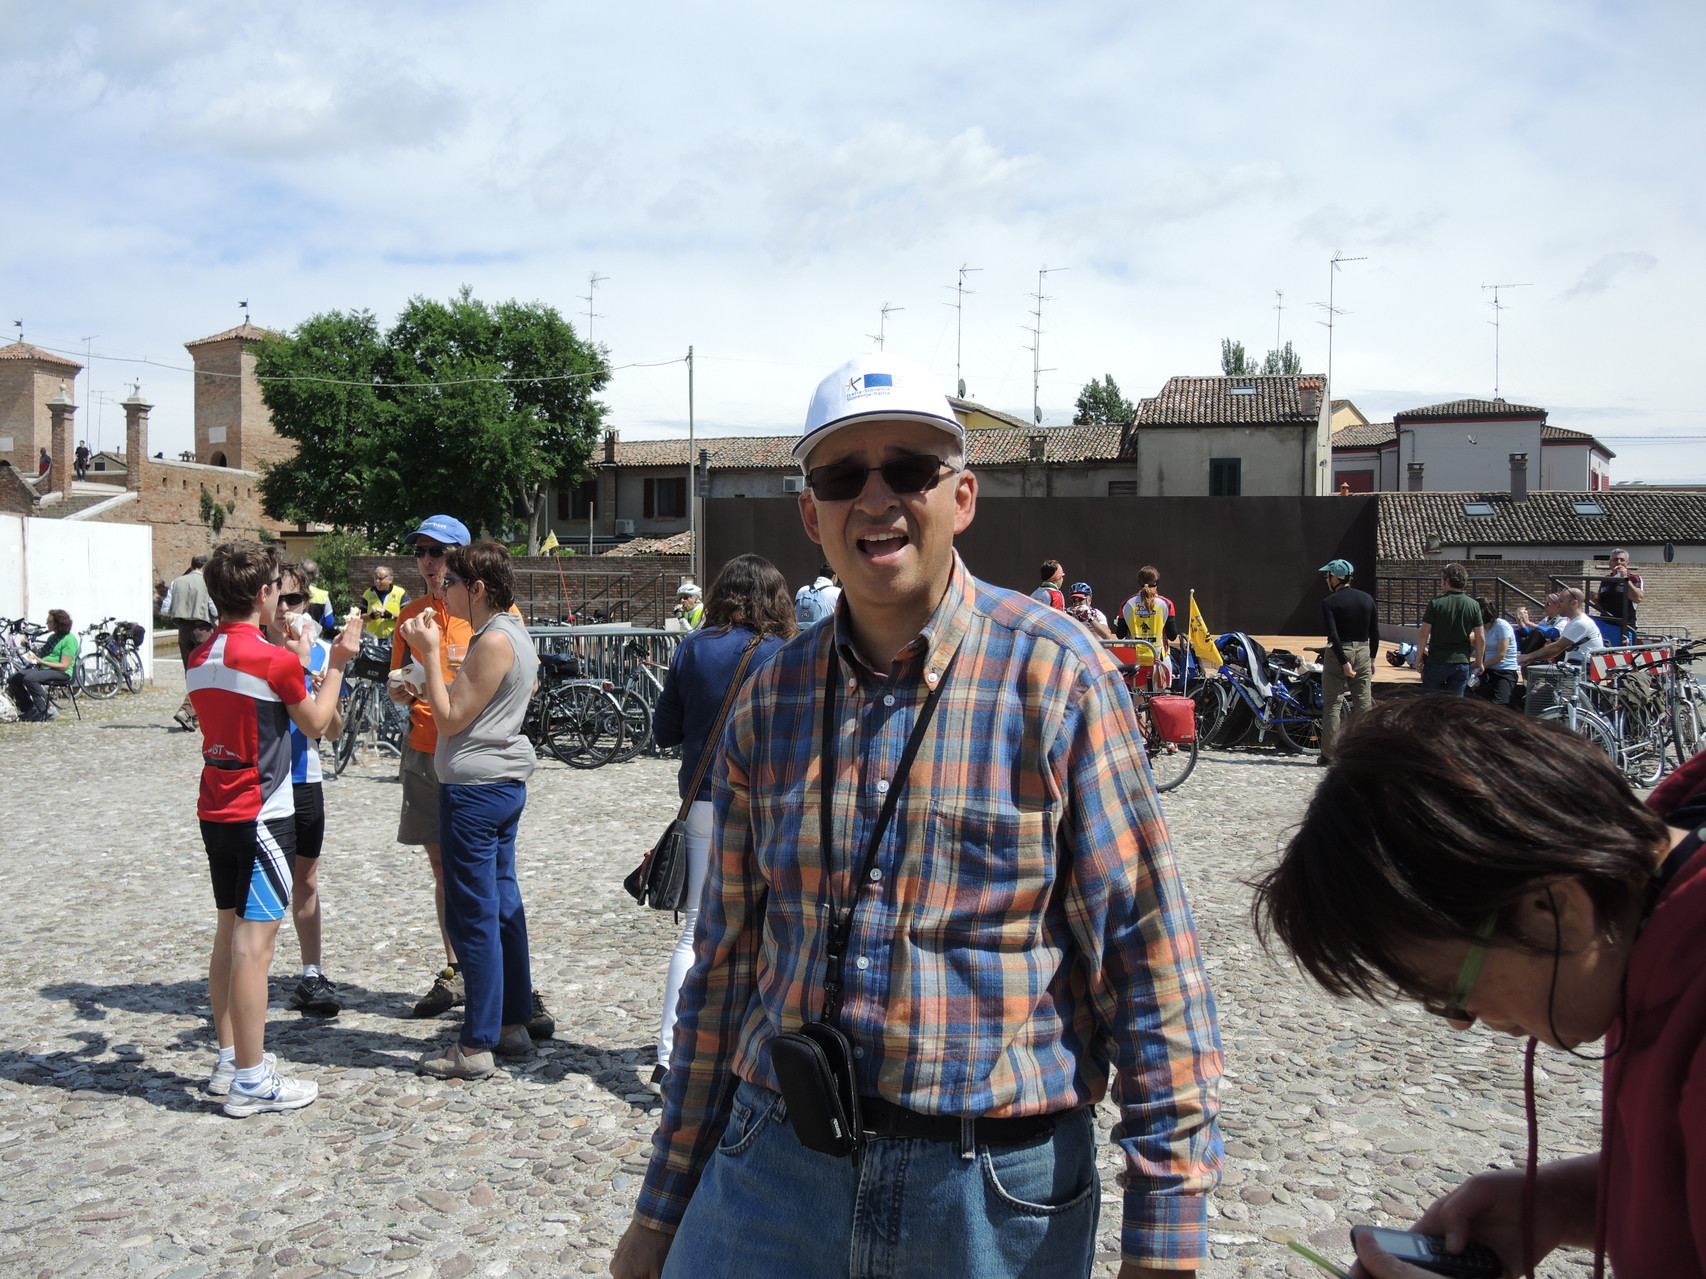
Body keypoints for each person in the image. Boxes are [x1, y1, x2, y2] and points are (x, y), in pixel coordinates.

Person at [611, 351, 1222, 1279]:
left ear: (962, 497)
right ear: (811, 513)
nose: (877, 496)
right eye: (843, 474)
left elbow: (1146, 958)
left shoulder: (1055, 676)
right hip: (777, 1164)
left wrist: (1166, 1241)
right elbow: (723, 968)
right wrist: (661, 1210)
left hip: (990, 1195)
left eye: (908, 468)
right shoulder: (770, 694)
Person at [1251, 696, 1706, 1278]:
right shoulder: (1644, 919)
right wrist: (1564, 1202)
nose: (1459, 1021)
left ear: (1550, 905)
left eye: (1451, 988)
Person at [187, 540, 360, 1117]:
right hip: (263, 810)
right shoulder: (274, 660)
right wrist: (333, 664)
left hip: (217, 805)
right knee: (254, 947)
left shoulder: (201, 654)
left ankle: (228, 1057)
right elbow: (316, 723)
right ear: (263, 593)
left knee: (227, 934)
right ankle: (251, 1080)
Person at [388, 515, 550, 1036]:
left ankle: (479, 1039)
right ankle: (512, 1022)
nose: (441, 582)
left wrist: (432, 658)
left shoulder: (495, 638)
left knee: (474, 915)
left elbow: (454, 718)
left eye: (452, 578)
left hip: (476, 786)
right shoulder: (509, 632)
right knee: (501, 905)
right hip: (495, 781)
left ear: (477, 588)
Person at [648, 554, 794, 1094]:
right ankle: (753, 1050)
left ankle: (670, 1054)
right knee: (771, 927)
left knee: (695, 929)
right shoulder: (785, 654)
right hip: (771, 806)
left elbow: (664, 730)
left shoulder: (693, 647)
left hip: (706, 797)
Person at [264, 564, 343, 1017]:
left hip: (303, 777)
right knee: (261, 885)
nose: (285, 609)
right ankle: (255, 967)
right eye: (278, 599)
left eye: (293, 600)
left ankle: (311, 972)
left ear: (306, 603)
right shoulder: (254, 651)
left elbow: (332, 731)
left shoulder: (322, 653)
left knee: (306, 880)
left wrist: (320, 694)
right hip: (264, 782)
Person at [1317, 558, 1379, 763]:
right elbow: (1375, 633)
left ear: (1335, 577)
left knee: (1333, 704)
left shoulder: (1329, 602)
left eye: (1327, 576)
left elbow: (1333, 636)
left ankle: (1329, 754)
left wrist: (1344, 662)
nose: (1326, 579)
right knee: (1364, 705)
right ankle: (1367, 753)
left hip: (1338, 653)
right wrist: (1371, 658)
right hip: (1362, 650)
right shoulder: (1367, 599)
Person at [164, 555, 219, 731]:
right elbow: (214, 610)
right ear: (205, 566)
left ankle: (195, 716)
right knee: (204, 673)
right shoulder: (206, 583)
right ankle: (186, 710)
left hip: (183, 630)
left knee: (190, 672)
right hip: (202, 630)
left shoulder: (176, 582)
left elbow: (165, 609)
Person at [1413, 564, 1484, 696]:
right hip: (1461, 661)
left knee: (1429, 705)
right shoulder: (1473, 605)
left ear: (1446, 580)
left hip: (1436, 661)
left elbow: (1424, 633)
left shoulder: (1435, 603)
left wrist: (1418, 659)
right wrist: (1479, 661)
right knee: (1455, 706)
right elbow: (1480, 637)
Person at [1114, 565, 1178, 690]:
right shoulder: (1166, 603)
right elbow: (1172, 635)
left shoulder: (1127, 603)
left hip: (1135, 657)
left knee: (1139, 700)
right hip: (1158, 656)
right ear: (1157, 582)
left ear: (1139, 582)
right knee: (1162, 699)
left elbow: (1119, 634)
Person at [8, 609, 78, 721]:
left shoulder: (69, 640)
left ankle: (48, 709)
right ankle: (29, 709)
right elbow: (42, 654)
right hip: (46, 668)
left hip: (62, 673)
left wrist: (41, 662)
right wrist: (29, 647)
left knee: (30, 679)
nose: (46, 623)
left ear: (57, 623)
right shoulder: (53, 638)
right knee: (14, 678)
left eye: (49, 621)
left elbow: (64, 665)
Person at [1519, 587, 1604, 671]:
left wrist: (1528, 657)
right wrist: (1530, 659)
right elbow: (1555, 651)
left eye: (1561, 601)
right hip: (1575, 665)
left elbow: (1557, 647)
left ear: (1574, 603)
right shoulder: (1572, 622)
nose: (1558, 605)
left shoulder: (1581, 623)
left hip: (1585, 669)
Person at [1472, 596, 1519, 707]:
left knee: (1499, 702)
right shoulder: (1483, 628)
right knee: (1469, 689)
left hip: (1505, 670)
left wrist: (1480, 665)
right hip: (1488, 669)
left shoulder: (1502, 626)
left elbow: (1501, 654)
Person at [1595, 548, 1645, 646]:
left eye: (1622, 560)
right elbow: (1601, 601)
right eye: (1615, 560)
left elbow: (1638, 598)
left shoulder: (1634, 579)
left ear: (1627, 564)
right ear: (1610, 564)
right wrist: (1593, 597)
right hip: (1605, 625)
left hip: (1624, 628)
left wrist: (1625, 579)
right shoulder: (1606, 579)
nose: (1619, 562)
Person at [361, 565, 406, 641]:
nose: (377, 581)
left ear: (390, 580)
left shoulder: (400, 593)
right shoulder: (367, 594)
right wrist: (371, 616)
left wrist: (391, 616)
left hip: (394, 639)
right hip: (373, 640)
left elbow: (407, 617)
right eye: (375, 578)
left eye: (381, 579)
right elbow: (361, 618)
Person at [793, 563, 841, 628]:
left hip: (801, 635)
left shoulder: (802, 590)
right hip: (823, 636)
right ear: (835, 576)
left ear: (820, 574)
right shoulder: (836, 592)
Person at [300, 559, 336, 640]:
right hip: (313, 639)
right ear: (317, 575)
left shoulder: (293, 591)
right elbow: (329, 623)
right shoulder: (323, 595)